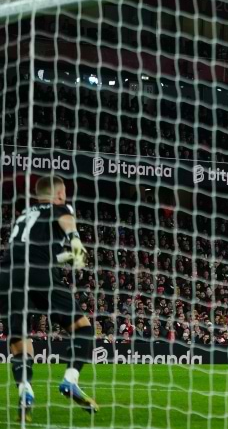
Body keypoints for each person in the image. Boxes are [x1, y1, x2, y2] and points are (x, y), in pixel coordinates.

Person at [3, 177, 99, 421]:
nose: (65, 197)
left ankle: (26, 391)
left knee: (20, 339)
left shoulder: (25, 213)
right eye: (64, 193)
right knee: (83, 329)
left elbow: (35, 251)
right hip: (39, 273)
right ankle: (70, 381)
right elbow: (66, 220)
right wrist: (75, 238)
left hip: (7, 275)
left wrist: (66, 257)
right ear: (58, 195)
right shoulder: (60, 208)